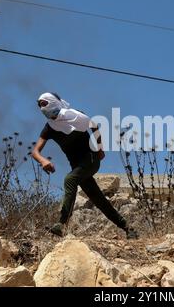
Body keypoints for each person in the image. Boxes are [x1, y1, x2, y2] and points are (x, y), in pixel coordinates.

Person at [31, 92, 138, 239]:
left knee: (69, 179)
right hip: (78, 167)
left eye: (44, 104)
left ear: (53, 102)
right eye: (39, 106)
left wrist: (100, 148)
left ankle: (62, 224)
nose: (42, 108)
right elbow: (35, 151)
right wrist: (43, 161)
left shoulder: (74, 116)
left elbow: (94, 125)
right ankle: (128, 228)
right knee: (98, 199)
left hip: (91, 159)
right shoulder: (49, 127)